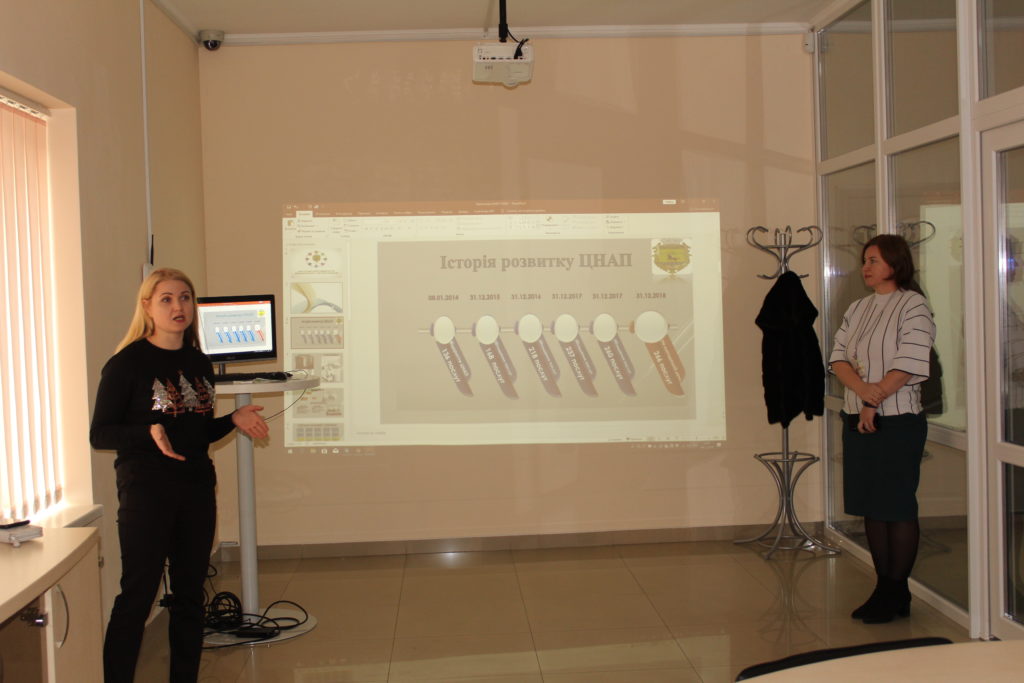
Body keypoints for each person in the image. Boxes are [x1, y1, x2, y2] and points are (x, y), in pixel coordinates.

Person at [90, 268, 269, 682]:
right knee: (137, 597)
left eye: (185, 297)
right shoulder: (126, 363)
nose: (178, 307)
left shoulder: (198, 361)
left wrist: (232, 420)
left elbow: (196, 433)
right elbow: (100, 433)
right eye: (167, 299)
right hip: (147, 494)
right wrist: (147, 432)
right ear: (147, 307)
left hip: (196, 490)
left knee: (190, 598)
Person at [829, 235, 936, 624]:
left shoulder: (914, 305)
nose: (866, 267)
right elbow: (838, 358)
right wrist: (861, 392)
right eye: (864, 260)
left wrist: (874, 401)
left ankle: (894, 589)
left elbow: (909, 361)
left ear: (895, 263)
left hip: (898, 421)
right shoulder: (858, 308)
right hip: (858, 417)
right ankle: (887, 589)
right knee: (872, 506)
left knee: (897, 505)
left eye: (873, 260)